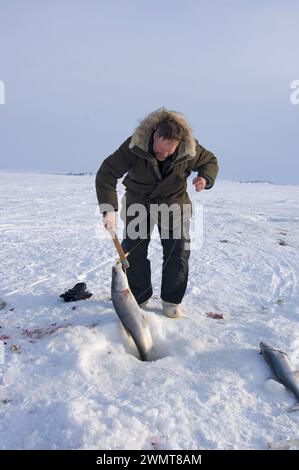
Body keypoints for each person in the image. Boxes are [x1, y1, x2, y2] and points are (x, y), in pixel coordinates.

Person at [95, 108, 219, 318]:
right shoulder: (135, 145)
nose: (163, 155)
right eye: (159, 149)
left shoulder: (190, 148)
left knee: (178, 251)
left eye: (168, 152)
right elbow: (107, 173)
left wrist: (205, 178)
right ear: (154, 136)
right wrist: (109, 209)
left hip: (174, 203)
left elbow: (210, 161)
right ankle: (139, 297)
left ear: (178, 144)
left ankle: (171, 301)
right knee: (133, 252)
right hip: (138, 202)